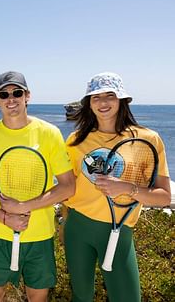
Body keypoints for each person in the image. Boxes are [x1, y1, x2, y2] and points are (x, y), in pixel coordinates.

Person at [0, 71, 75, 302]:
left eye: (17, 92)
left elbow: (67, 187)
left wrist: (24, 206)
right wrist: (4, 216)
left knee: (37, 295)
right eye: (3, 94)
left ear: (28, 96)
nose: (11, 99)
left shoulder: (49, 133)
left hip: (40, 235)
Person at [64, 72, 171, 302]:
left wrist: (125, 188)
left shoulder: (148, 139)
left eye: (110, 96)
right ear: (89, 104)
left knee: (127, 298)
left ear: (122, 100)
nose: (103, 103)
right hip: (77, 227)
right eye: (96, 97)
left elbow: (163, 197)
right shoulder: (75, 141)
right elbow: (67, 188)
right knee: (81, 297)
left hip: (119, 230)